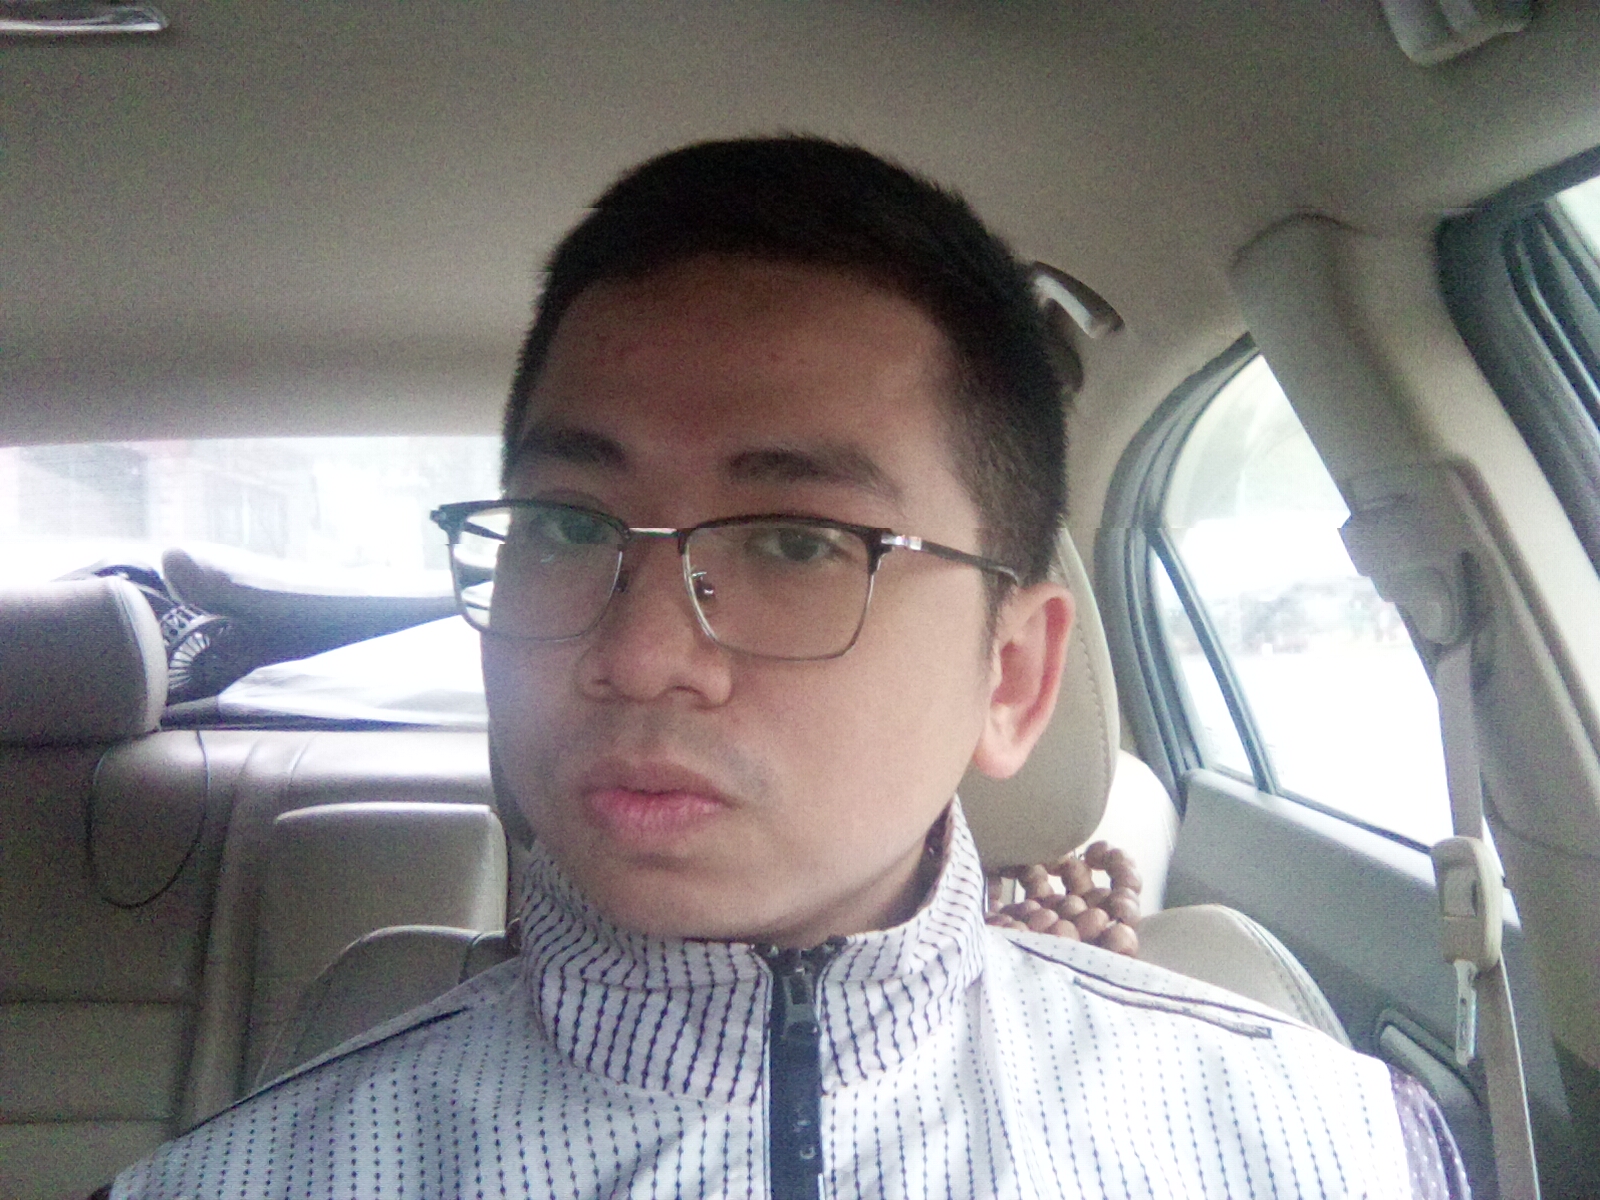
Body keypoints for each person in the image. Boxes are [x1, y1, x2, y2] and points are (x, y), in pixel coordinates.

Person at [112, 136, 1468, 1199]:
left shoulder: (1325, 1151)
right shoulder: (247, 1181)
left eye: (798, 542)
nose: (637, 655)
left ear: (1010, 676)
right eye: (569, 526)